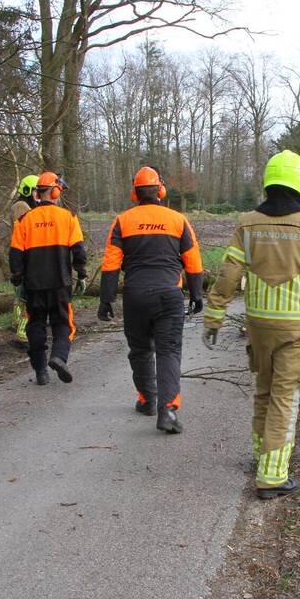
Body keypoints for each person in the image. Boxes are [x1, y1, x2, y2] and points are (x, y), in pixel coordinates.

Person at [202, 151, 300, 499]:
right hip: (294, 329)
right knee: (284, 399)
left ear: (269, 182)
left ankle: (261, 457)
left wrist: (214, 316)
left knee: (264, 391)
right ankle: (273, 476)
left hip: (259, 327)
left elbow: (229, 273)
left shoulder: (247, 223)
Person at [98, 167, 203, 434]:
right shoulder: (178, 220)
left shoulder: (122, 221)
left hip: (135, 295)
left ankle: (147, 400)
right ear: (161, 190)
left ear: (135, 192)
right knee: (169, 351)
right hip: (169, 294)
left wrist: (106, 299)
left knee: (141, 349)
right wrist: (196, 294)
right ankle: (167, 410)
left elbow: (111, 263)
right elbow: (192, 261)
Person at [9, 172, 87, 385]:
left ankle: (41, 371)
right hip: (61, 282)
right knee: (63, 323)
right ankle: (59, 357)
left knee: (35, 325)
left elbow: (15, 254)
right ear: (54, 191)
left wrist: (17, 279)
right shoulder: (68, 217)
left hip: (33, 284)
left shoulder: (24, 220)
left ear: (37, 193)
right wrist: (81, 274)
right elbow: (79, 251)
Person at [11, 175, 39, 348]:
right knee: (25, 299)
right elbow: (24, 234)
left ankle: (20, 327)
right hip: (24, 259)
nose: (38, 195)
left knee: (21, 297)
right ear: (28, 191)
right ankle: (22, 334)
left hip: (23, 258)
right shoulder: (22, 207)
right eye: (36, 191)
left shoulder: (25, 206)